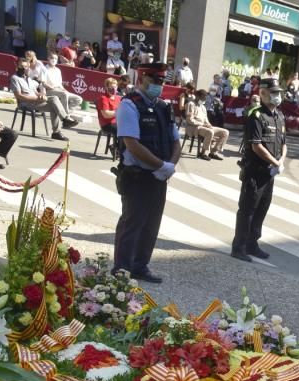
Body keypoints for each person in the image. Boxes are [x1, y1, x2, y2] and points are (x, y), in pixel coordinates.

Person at [112, 62, 181, 284]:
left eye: (161, 81)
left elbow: (176, 141)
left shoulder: (164, 107)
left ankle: (140, 266)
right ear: (141, 79)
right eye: (154, 80)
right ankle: (122, 269)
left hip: (159, 176)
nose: (159, 85)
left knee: (152, 223)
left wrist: (169, 166)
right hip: (137, 175)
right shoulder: (129, 105)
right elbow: (132, 143)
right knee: (132, 223)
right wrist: (161, 166)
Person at [232, 80, 286, 263]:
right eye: (273, 92)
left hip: (270, 173)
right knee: (247, 210)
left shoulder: (279, 116)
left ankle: (252, 244)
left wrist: (281, 161)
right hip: (255, 171)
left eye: (278, 92)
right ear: (262, 93)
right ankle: (239, 247)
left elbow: (284, 143)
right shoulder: (256, 115)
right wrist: (274, 162)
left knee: (262, 208)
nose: (277, 96)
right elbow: (256, 146)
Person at [10, 58, 78, 140]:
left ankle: (56, 132)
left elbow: (35, 92)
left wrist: (40, 95)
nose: (24, 68)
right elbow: (19, 96)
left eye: (26, 66)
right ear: (17, 66)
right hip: (26, 103)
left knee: (55, 104)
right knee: (54, 100)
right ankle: (65, 120)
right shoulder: (14, 78)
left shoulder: (28, 78)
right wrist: (36, 98)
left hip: (36, 101)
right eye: (22, 66)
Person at [186, 89, 229, 160]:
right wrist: (202, 124)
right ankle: (203, 153)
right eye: (202, 98)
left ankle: (213, 152)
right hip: (194, 127)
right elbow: (190, 120)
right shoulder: (191, 104)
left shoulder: (203, 107)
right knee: (210, 132)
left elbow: (206, 119)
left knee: (225, 132)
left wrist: (209, 125)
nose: (204, 99)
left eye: (205, 98)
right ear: (197, 96)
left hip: (203, 126)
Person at [40, 52, 82, 119]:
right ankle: (66, 116)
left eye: (55, 58)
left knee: (79, 99)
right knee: (64, 94)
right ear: (48, 58)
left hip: (59, 89)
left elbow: (60, 84)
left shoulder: (58, 70)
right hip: (49, 90)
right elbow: (43, 82)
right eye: (52, 58)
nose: (54, 60)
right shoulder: (44, 69)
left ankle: (62, 110)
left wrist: (65, 90)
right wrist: (50, 87)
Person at [96, 76, 121, 152]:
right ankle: (117, 148)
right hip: (107, 124)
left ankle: (121, 148)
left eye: (115, 87)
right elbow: (106, 114)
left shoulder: (118, 98)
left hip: (118, 122)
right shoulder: (103, 98)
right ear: (106, 87)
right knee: (122, 130)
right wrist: (119, 112)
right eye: (111, 87)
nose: (113, 89)